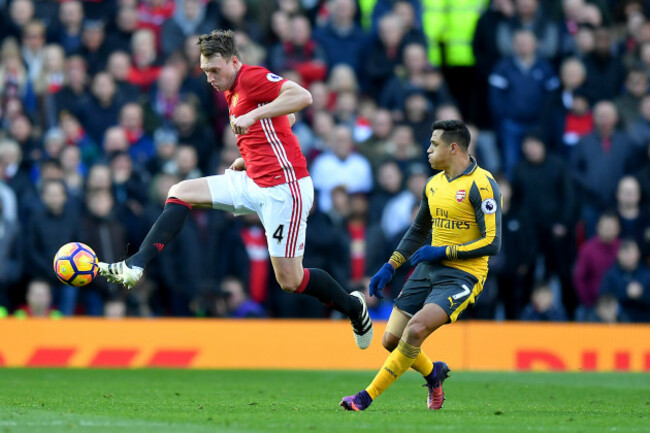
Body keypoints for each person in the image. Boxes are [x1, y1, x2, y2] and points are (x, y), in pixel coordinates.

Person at [98, 29, 373, 349]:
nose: (210, 79)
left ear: (234, 62)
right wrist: (250, 155)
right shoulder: (231, 89)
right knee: (180, 191)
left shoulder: (252, 77)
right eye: (204, 72)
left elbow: (302, 97)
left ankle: (355, 308)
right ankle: (135, 265)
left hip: (286, 189)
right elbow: (290, 118)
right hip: (253, 179)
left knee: (290, 280)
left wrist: (256, 114)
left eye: (215, 70)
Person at [340, 120, 502, 411]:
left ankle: (365, 397)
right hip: (429, 269)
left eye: (433, 144)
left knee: (414, 331)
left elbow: (493, 242)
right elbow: (416, 232)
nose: (427, 150)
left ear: (453, 148)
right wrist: (389, 266)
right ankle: (433, 373)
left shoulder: (482, 184)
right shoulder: (433, 184)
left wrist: (443, 251)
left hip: (463, 275)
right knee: (391, 340)